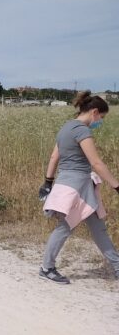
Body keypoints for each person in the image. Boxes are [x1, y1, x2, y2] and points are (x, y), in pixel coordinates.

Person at [38, 91, 119, 284]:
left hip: (72, 185)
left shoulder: (65, 128)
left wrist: (48, 182)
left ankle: (117, 266)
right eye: (102, 117)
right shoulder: (82, 130)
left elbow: (53, 157)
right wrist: (116, 185)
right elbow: (96, 163)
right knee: (65, 227)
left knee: (98, 228)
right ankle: (46, 267)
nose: (100, 121)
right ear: (94, 112)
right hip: (77, 187)